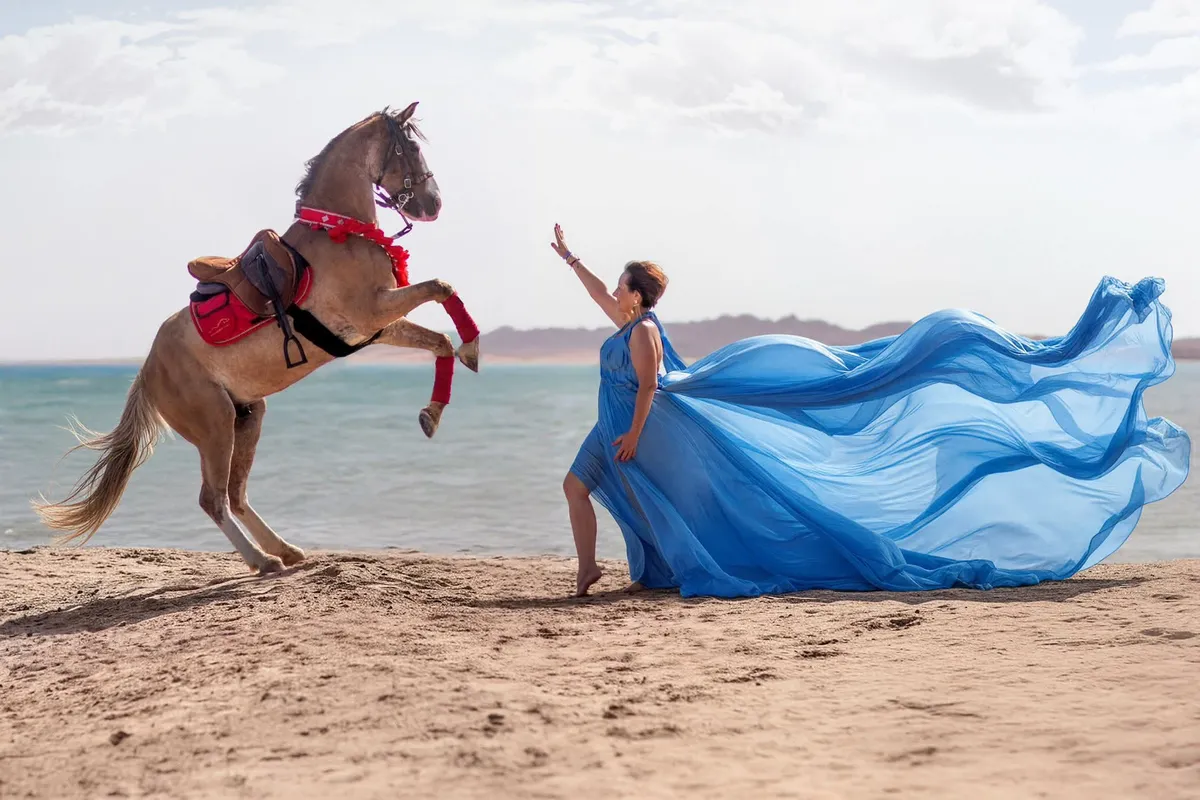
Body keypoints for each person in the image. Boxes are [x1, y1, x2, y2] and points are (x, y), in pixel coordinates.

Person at [550, 224, 1191, 599]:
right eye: (615, 284)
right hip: (615, 427)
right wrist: (571, 259)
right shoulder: (624, 321)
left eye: (621, 283)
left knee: (621, 492)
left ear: (637, 293)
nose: (614, 289)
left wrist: (635, 434)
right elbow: (598, 298)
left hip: (639, 428)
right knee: (581, 488)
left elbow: (648, 388)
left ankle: (592, 570)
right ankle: (590, 566)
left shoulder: (643, 332)